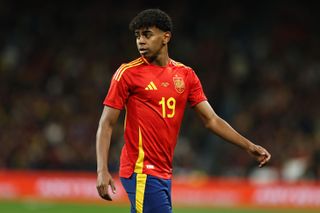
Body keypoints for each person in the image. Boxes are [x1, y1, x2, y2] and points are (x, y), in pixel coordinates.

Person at [96, 8, 271, 213]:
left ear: (166, 37)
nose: (140, 41)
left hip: (163, 172)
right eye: (137, 36)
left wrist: (249, 146)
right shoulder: (127, 73)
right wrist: (102, 170)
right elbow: (106, 123)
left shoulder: (185, 75)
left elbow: (211, 120)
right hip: (141, 171)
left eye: (147, 34)